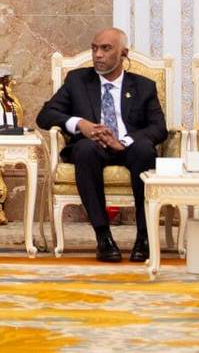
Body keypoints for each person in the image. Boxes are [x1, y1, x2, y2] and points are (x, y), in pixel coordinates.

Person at [37, 27, 165, 262]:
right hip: (93, 147)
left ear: (123, 53)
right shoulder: (77, 81)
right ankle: (103, 237)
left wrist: (123, 142)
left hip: (129, 147)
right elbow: (45, 115)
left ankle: (144, 237)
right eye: (95, 48)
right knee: (84, 149)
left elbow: (159, 128)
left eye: (106, 49)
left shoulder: (144, 86)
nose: (98, 54)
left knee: (144, 150)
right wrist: (80, 124)